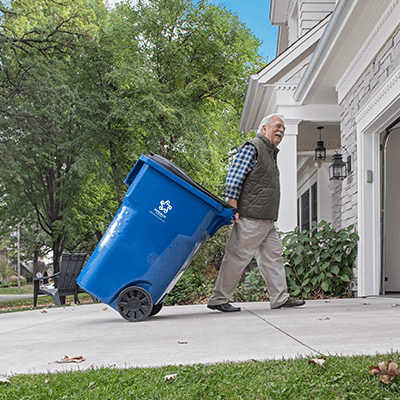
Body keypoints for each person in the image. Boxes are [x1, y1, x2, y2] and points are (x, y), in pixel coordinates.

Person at [207, 114, 305, 312]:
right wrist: (233, 208)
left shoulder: (269, 152)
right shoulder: (253, 147)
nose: (282, 130)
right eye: (278, 126)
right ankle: (218, 299)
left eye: (284, 128)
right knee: (236, 258)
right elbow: (234, 178)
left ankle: (280, 298)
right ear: (263, 128)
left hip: (266, 220)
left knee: (273, 257)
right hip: (250, 217)